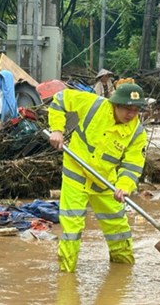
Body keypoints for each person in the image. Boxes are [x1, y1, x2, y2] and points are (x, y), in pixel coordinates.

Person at [48, 83, 147, 273]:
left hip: (104, 183)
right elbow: (60, 99)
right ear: (115, 104)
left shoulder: (137, 133)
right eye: (127, 108)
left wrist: (124, 186)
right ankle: (66, 276)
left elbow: (133, 164)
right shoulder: (94, 105)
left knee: (118, 226)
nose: (131, 114)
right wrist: (57, 129)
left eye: (136, 110)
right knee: (72, 227)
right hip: (76, 175)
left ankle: (123, 270)